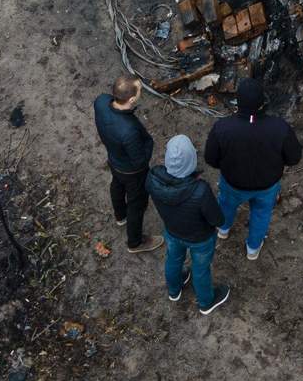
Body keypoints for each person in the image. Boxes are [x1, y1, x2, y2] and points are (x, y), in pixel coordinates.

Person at [205, 78, 302, 261]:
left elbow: (211, 158)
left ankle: (223, 230)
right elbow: (294, 158)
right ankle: (253, 249)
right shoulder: (279, 128)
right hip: (267, 186)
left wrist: (226, 167)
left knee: (226, 204)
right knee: (261, 214)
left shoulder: (222, 128)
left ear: (238, 102)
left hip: (233, 182)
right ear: (262, 103)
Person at [146, 135, 230, 316]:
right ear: (192, 160)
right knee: (200, 269)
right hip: (200, 239)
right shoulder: (200, 190)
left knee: (173, 259)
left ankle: (174, 290)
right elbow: (217, 219)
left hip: (172, 231)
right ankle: (206, 302)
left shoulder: (153, 178)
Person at [93, 76, 162, 254]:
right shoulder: (128, 130)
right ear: (131, 99)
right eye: (139, 90)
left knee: (116, 185)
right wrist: (149, 144)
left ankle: (120, 215)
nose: (141, 92)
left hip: (114, 160)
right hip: (132, 172)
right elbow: (139, 160)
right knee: (136, 204)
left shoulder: (101, 102)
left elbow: (105, 100)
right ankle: (135, 242)